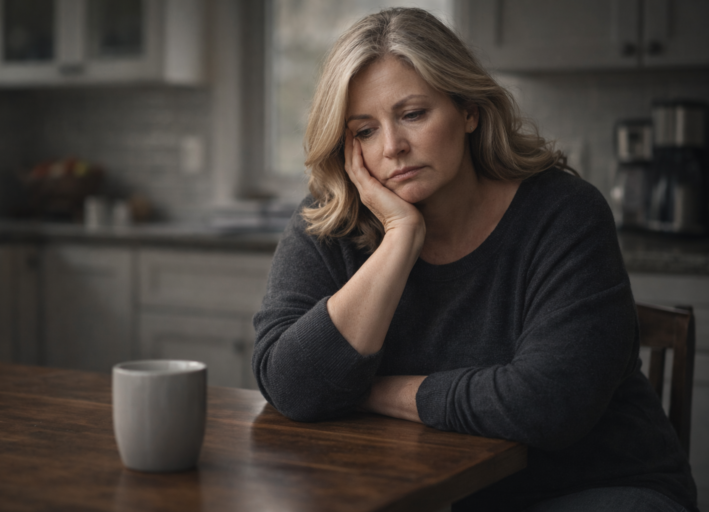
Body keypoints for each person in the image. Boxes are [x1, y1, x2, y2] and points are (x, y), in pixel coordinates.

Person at [252, 7, 698, 512]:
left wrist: (368, 391)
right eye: (365, 131)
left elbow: (547, 406)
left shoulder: (563, 213)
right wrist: (400, 238)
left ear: (468, 110)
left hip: (597, 487)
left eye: (413, 114)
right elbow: (290, 385)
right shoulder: (329, 220)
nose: (393, 147)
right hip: (429, 493)